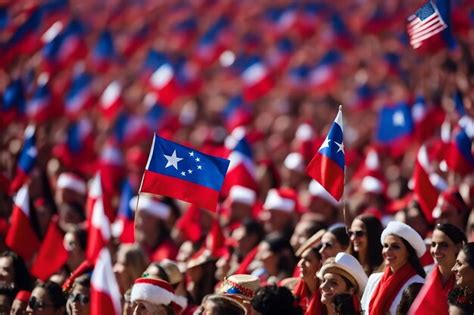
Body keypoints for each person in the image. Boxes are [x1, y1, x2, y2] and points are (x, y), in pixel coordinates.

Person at [361, 221, 427, 315]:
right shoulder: (374, 279)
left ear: (408, 252)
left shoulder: (418, 283)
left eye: (395, 247)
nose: (387, 251)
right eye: (386, 246)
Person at [409, 223, 467, 314]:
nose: (436, 250)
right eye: (433, 244)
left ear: (458, 247)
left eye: (443, 245)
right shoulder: (424, 275)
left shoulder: (467, 280)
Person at [293, 231, 325, 315]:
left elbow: (323, 232)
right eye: (301, 259)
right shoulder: (294, 288)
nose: (300, 264)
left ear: (320, 265)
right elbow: (298, 253)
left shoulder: (326, 296)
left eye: (308, 260)